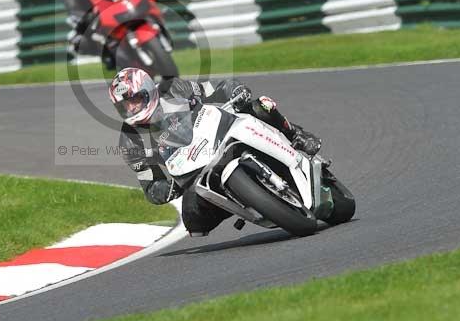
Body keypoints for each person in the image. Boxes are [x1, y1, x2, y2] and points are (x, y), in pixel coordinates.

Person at [108, 67, 325, 236]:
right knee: (193, 222)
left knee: (260, 105)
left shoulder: (173, 89)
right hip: (195, 171)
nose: (131, 109)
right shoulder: (130, 141)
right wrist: (165, 189)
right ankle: (247, 201)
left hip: (218, 132)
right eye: (124, 106)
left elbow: (215, 89)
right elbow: (149, 185)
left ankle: (296, 134)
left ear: (147, 90)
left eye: (134, 100)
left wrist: (235, 90)